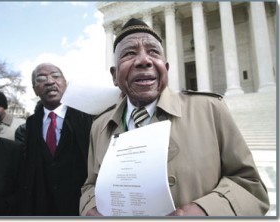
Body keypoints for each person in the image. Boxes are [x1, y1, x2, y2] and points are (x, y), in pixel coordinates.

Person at [79, 18, 269, 216]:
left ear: (166, 68)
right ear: (114, 75)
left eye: (153, 52)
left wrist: (205, 211)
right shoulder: (99, 127)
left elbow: (250, 186)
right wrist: (90, 208)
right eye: (129, 53)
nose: (144, 60)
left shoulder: (211, 110)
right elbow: (90, 184)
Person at [19, 63, 93, 216]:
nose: (49, 81)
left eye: (56, 75)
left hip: (80, 207)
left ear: (65, 83)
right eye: (41, 78)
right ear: (34, 89)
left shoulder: (86, 117)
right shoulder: (31, 123)